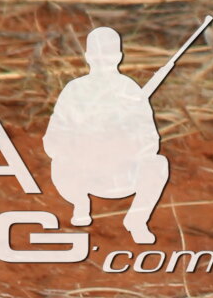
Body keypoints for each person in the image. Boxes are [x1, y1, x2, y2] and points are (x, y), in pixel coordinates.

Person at [45, 25, 175, 242]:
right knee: (59, 162)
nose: (102, 60)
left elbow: (151, 141)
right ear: (88, 56)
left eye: (108, 55)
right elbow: (52, 140)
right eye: (98, 55)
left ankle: (137, 221)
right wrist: (83, 143)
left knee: (158, 164)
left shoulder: (131, 91)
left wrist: (123, 141)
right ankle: (80, 204)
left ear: (119, 57)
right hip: (83, 172)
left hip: (121, 172)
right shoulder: (74, 90)